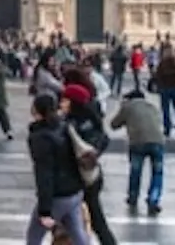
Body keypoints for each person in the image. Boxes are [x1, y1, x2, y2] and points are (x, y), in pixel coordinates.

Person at [25, 93, 89, 245]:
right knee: (77, 234)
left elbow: (44, 173)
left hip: (58, 196)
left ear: (36, 110)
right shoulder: (64, 126)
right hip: (75, 191)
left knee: (33, 237)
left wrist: (45, 210)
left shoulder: (40, 137)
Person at [60, 84, 117, 245]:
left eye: (65, 100)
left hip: (80, 178)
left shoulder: (75, 123)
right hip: (90, 177)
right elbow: (103, 140)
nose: (61, 103)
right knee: (90, 220)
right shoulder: (89, 119)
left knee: (88, 220)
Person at [110, 89, 164, 214]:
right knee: (157, 173)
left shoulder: (128, 106)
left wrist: (122, 110)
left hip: (138, 142)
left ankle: (133, 197)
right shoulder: (152, 106)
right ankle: (153, 199)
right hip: (158, 141)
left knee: (136, 171)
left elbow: (114, 124)